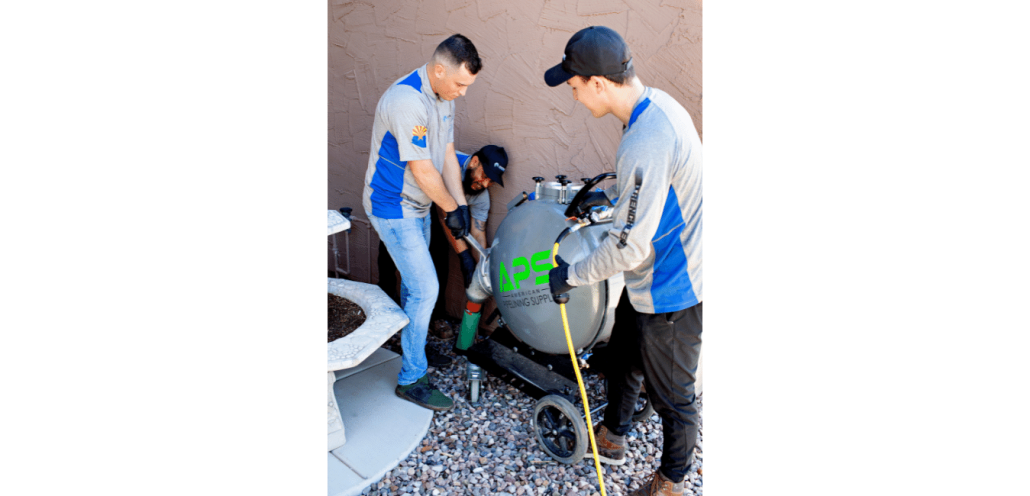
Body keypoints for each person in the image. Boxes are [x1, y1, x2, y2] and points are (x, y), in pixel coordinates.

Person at [544, 26, 703, 496]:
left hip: (673, 284)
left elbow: (629, 247)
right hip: (651, 274)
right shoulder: (656, 108)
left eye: (574, 86)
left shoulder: (645, 138)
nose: (574, 96)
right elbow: (650, 191)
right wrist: (607, 200)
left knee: (673, 397)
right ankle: (613, 437)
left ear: (598, 82)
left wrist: (570, 276)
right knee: (622, 357)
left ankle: (671, 482)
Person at [362, 33, 482, 412]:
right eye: (460, 83)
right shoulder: (406, 101)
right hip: (392, 205)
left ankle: (414, 347)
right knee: (426, 289)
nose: (462, 92)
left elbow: (446, 156)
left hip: (417, 204)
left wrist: (459, 206)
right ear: (439, 69)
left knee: (416, 287)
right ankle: (411, 376)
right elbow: (423, 169)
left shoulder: (443, 98)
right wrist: (450, 209)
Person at [377, 145, 509, 364]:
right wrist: (465, 258)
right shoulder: (450, 166)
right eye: (485, 175)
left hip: (435, 211)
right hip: (403, 202)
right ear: (474, 162)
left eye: (492, 180)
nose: (485, 183)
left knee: (438, 256)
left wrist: (480, 272)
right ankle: (385, 314)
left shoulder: (480, 194)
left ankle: (433, 317)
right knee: (393, 256)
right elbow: (444, 214)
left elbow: (478, 232)